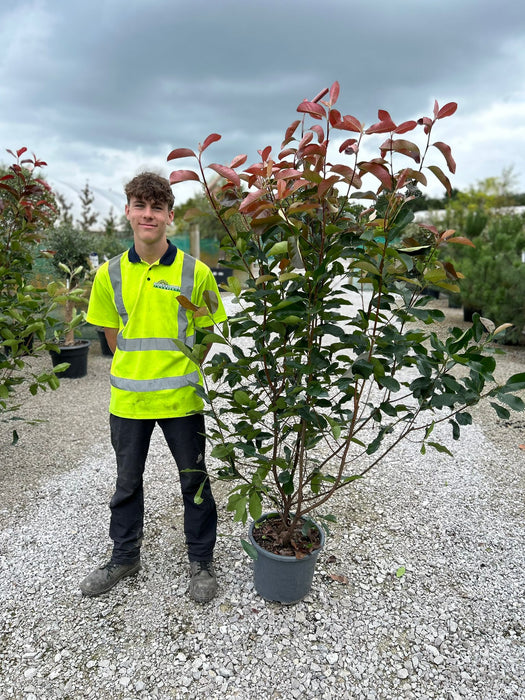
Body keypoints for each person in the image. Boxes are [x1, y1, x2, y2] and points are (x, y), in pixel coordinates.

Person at [80, 172, 227, 603]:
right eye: (140, 206)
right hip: (128, 401)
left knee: (194, 483)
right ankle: (124, 557)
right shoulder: (109, 275)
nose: (148, 215)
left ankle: (201, 561)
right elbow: (111, 337)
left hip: (182, 400)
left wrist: (180, 371)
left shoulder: (196, 273)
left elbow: (206, 334)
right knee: (127, 484)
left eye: (157, 207)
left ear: (170, 216)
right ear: (128, 211)